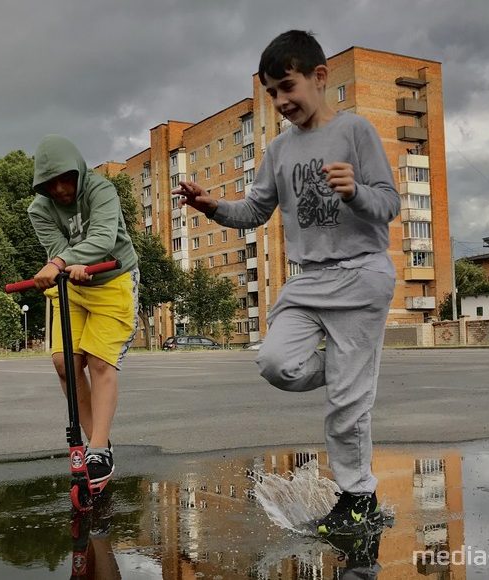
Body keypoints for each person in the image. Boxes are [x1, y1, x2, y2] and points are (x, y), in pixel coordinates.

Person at [173, 30, 399, 536]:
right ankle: (348, 372)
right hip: (309, 280)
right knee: (275, 362)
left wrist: (357, 192)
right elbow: (255, 209)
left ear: (320, 77)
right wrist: (211, 205)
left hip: (361, 274)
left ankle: (357, 497)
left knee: (347, 407)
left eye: (287, 87)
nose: (280, 102)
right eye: (271, 92)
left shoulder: (355, 131)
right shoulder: (278, 150)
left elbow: (388, 203)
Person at [28, 134, 139, 493]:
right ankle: (99, 449)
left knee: (100, 361)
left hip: (113, 279)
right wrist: (65, 263)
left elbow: (104, 239)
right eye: (50, 183)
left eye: (66, 178)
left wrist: (63, 261)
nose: (60, 189)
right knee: (64, 363)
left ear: (77, 171)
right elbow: (58, 247)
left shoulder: (100, 190)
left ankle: (96, 449)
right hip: (73, 288)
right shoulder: (39, 210)